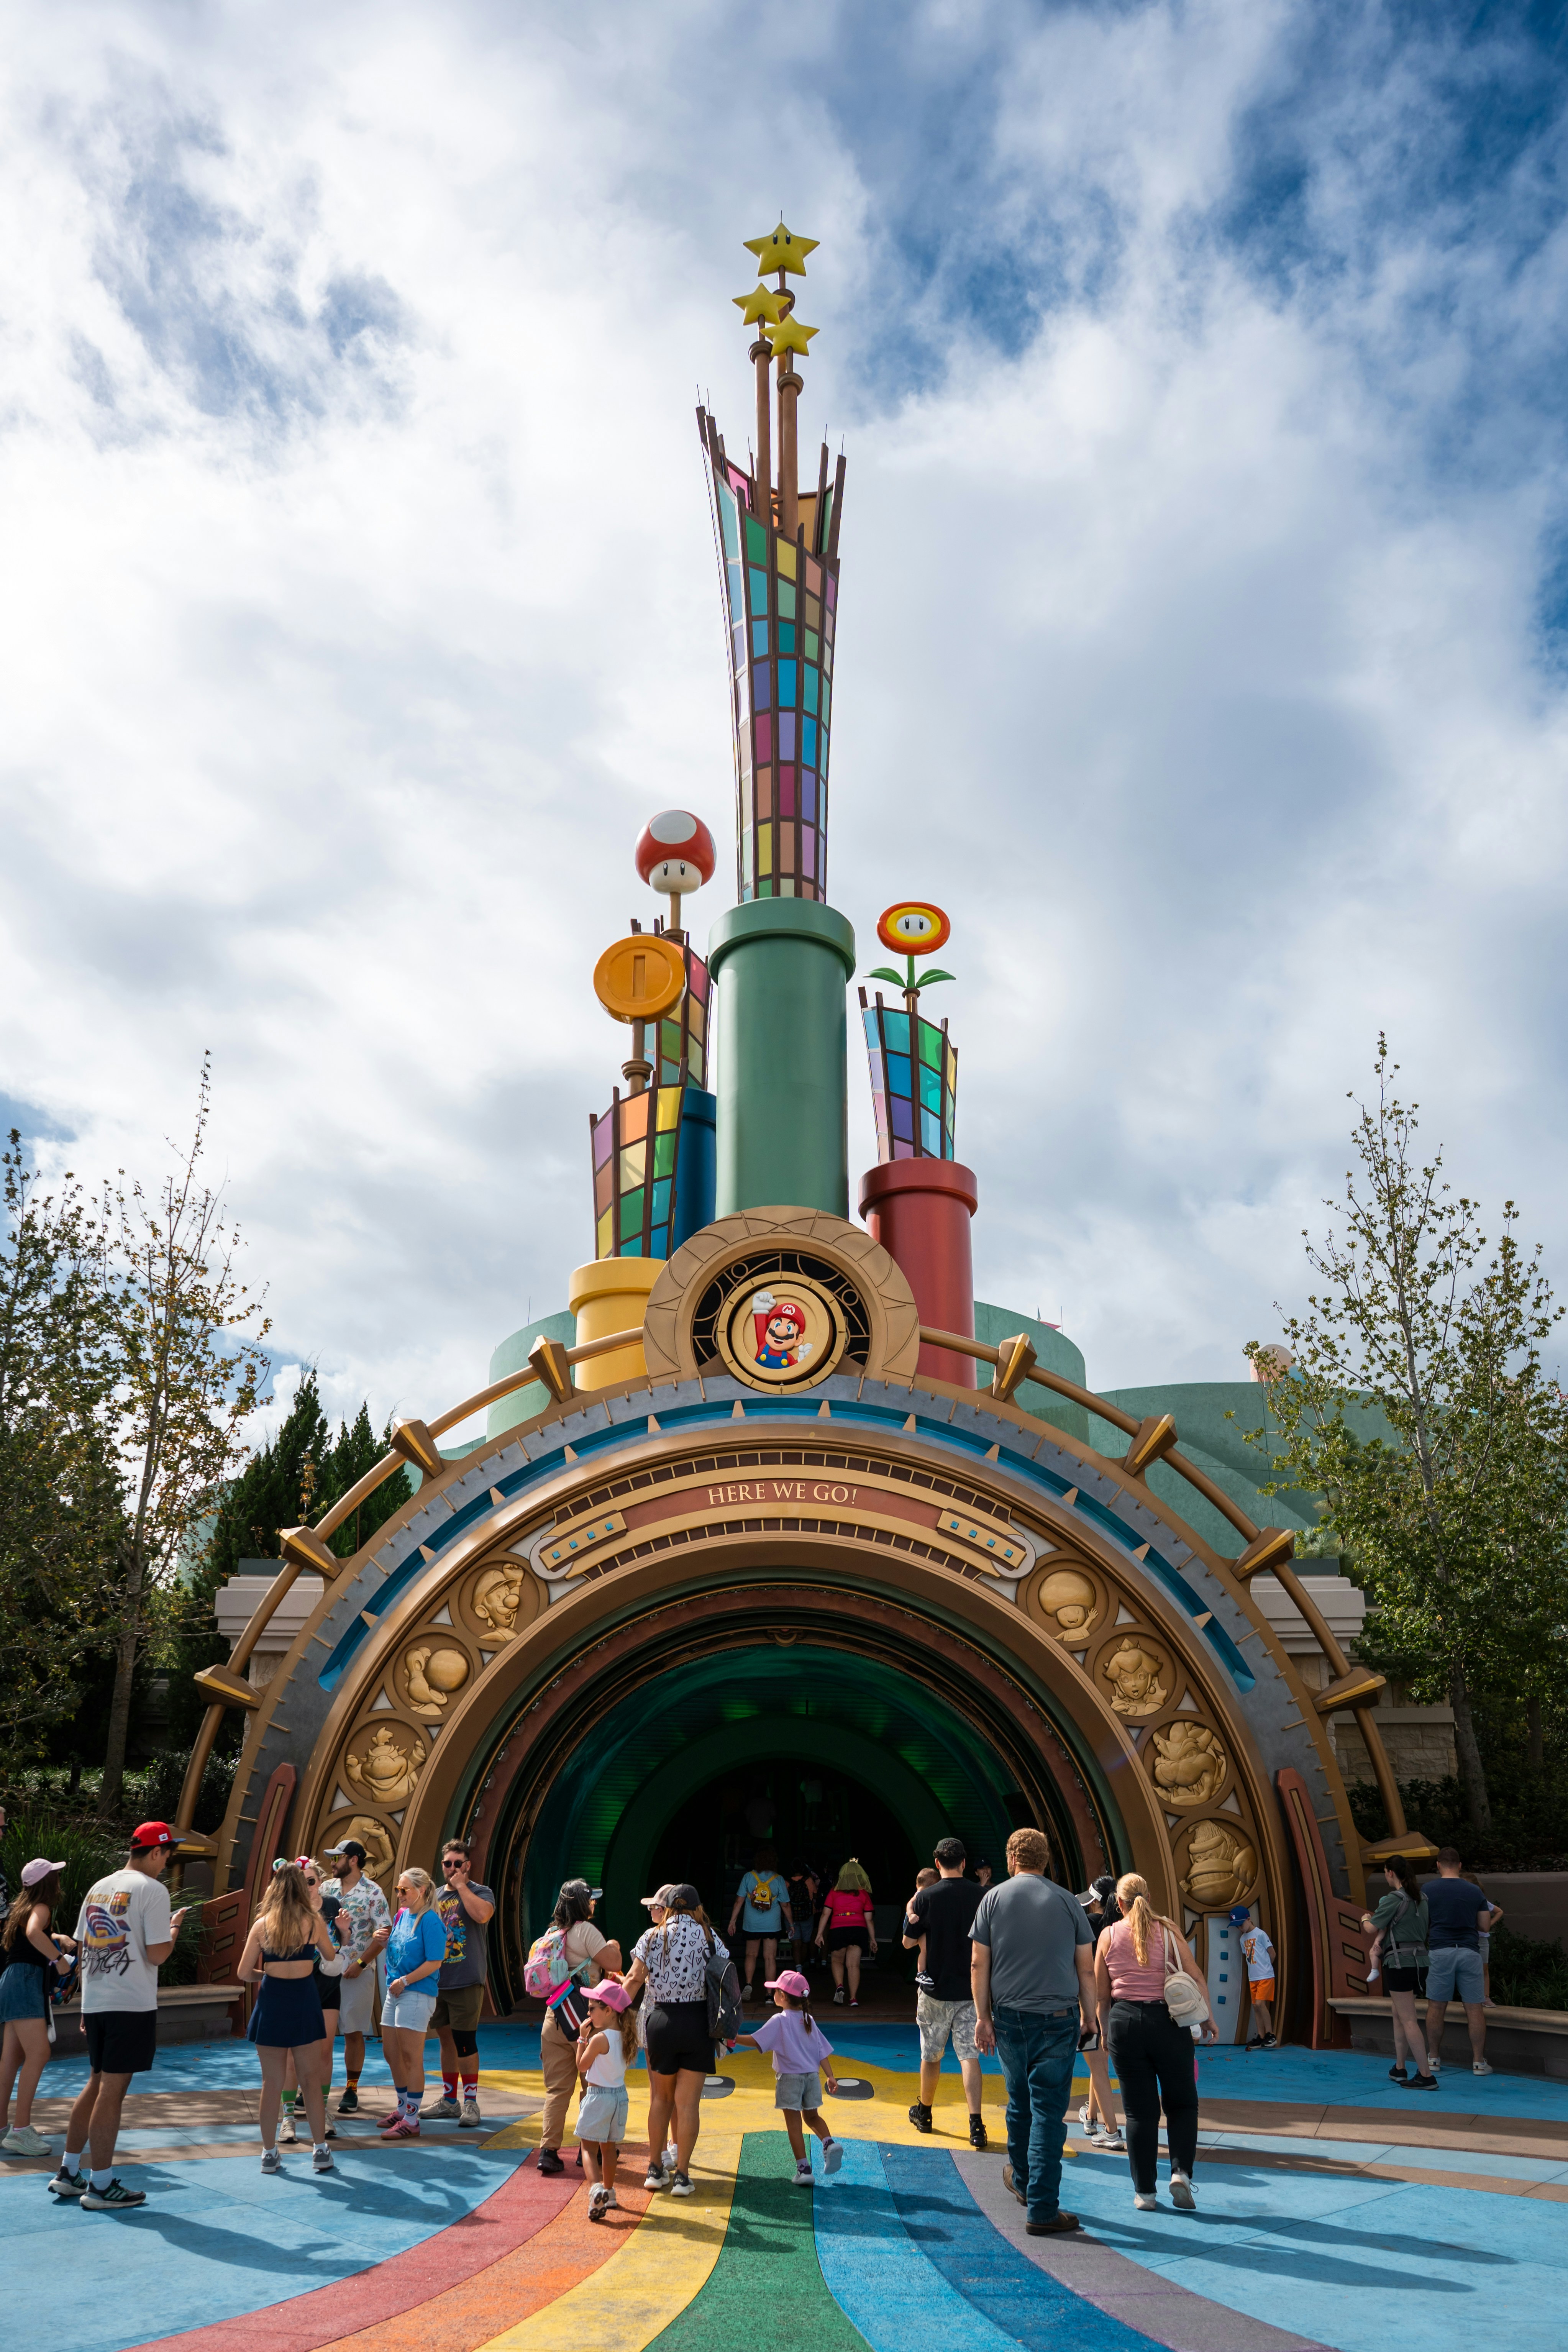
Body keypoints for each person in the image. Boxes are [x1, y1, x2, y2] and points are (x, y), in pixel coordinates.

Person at [51, 1819, 190, 2210]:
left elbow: (84, 1948)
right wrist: (174, 1929)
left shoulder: (99, 1887)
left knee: (95, 2084)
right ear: (157, 1852)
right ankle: (101, 2184)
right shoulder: (154, 1890)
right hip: (131, 2003)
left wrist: (85, 2004)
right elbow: (158, 1953)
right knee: (112, 2093)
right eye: (168, 1854)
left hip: (98, 2001)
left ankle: (68, 2171)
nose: (167, 1863)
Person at [971, 1825, 1093, 2238]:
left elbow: (978, 1965)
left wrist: (983, 2017)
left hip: (1007, 2017)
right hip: (1058, 2019)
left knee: (1019, 2102)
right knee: (1048, 2112)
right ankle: (1042, 2207)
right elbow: (1086, 1967)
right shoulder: (1067, 1902)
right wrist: (1090, 2015)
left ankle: (1022, 2182)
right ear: (1045, 1862)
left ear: (1011, 1860)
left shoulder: (992, 1900)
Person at [1096, 1873, 1217, 2213]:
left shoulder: (1108, 1935)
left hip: (1125, 2023)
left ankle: (1145, 2193)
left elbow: (1101, 1995)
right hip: (1169, 2022)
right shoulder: (1168, 1931)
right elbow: (1195, 1975)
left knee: (1139, 2113)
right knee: (1182, 2104)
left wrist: (1105, 2031)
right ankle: (1180, 2172)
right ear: (1148, 1897)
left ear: (1118, 1904)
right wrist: (1207, 2017)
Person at [622, 1881, 728, 2198]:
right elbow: (725, 1977)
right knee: (688, 2104)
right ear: (697, 1908)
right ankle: (682, 2175)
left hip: (661, 2021)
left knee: (660, 2100)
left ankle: (655, 2169)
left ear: (667, 1906)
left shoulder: (653, 1936)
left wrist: (613, 2014)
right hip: (697, 2023)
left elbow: (633, 1980)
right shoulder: (709, 1937)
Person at [236, 1860, 343, 2173]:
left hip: (272, 2001)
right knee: (311, 2079)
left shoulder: (262, 1924)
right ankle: (321, 2150)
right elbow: (331, 1955)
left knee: (272, 2082)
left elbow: (244, 1973)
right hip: (304, 2000)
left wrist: (268, 1973)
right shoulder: (313, 1920)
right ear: (299, 1889)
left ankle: (269, 2153)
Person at [903, 1838, 987, 2149]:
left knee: (931, 2054)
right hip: (971, 1989)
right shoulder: (982, 1897)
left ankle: (924, 2113)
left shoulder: (927, 1898)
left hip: (935, 1989)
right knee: (969, 2056)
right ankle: (976, 2124)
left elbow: (908, 1942)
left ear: (937, 1864)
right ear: (964, 1863)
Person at [537, 1879, 620, 2177]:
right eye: (592, 1899)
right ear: (582, 1904)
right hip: (586, 2019)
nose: (595, 1903)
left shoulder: (551, 1934)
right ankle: (591, 2148)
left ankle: (549, 2152)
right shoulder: (586, 1930)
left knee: (557, 2090)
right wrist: (613, 1945)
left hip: (555, 2016)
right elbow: (614, 1961)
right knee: (593, 2086)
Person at [730, 1967, 844, 2185]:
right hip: (812, 2077)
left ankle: (804, 2170)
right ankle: (829, 2143)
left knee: (794, 2126)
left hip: (790, 2079)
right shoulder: (808, 2019)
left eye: (776, 1991)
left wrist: (733, 2037)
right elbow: (822, 2052)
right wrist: (831, 2077)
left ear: (782, 1997)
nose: (774, 1994)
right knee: (812, 2117)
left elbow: (756, 2041)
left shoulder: (780, 2020)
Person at [0, 1858, 76, 2156]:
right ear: (48, 1882)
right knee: (40, 2052)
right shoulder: (42, 1909)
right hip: (26, 1980)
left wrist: (55, 1937)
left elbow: (29, 1934)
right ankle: (21, 2131)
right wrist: (59, 1962)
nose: (59, 1880)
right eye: (56, 1875)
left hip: (12, 1979)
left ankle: (4, 2128)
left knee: (11, 2057)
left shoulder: (22, 1907)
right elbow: (34, 1933)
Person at [426, 1840, 497, 2127]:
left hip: (467, 1979)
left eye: (458, 1863)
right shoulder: (435, 1896)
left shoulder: (481, 1892)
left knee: (465, 2041)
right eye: (448, 1864)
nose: (453, 1868)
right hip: (439, 1979)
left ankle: (471, 2102)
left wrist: (463, 1886)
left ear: (468, 1865)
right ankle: (449, 2100)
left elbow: (482, 1915)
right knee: (445, 2040)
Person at [321, 1836, 392, 2116]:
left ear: (353, 1860)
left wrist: (361, 1964)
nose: (332, 1863)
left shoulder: (373, 1893)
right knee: (319, 2031)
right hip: (326, 1969)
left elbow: (384, 1933)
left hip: (356, 1973)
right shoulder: (326, 1888)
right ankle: (311, 2086)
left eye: (337, 1857)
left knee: (353, 2031)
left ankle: (351, 2088)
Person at [379, 1865, 447, 2136]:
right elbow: (400, 1948)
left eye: (404, 1890)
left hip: (416, 1993)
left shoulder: (430, 1920)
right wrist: (383, 1941)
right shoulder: (402, 1916)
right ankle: (403, 2106)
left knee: (411, 2056)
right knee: (391, 2053)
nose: (399, 1895)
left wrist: (406, 1981)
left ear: (421, 1891)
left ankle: (412, 2119)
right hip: (395, 1991)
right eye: (397, 1890)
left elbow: (435, 1961)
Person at [279, 1856, 342, 2143]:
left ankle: (324, 2111)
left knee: (324, 2052)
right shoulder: (287, 1911)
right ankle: (289, 2118)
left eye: (312, 1881)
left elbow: (339, 1947)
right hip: (299, 1988)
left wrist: (345, 1931)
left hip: (328, 1986)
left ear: (321, 1881)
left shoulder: (331, 1906)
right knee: (293, 2056)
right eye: (302, 1882)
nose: (308, 1887)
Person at [1422, 1848, 1499, 2078]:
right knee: (1474, 2009)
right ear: (1460, 1865)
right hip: (1469, 1952)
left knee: (1436, 2007)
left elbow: (1423, 1922)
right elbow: (1484, 1927)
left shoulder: (1428, 1890)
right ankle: (1478, 2063)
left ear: (1438, 1865)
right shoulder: (1474, 1890)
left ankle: (1433, 2058)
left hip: (1439, 1951)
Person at [1361, 1857, 1434, 2089]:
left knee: (1409, 2019)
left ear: (1390, 1873)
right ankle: (1400, 2068)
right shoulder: (1422, 1899)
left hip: (1400, 1964)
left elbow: (1371, 1928)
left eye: (1385, 1871)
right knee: (1399, 2013)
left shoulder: (1393, 1899)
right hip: (1421, 1962)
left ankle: (1426, 2075)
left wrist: (1365, 1918)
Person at [574, 1978, 637, 2220]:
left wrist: (582, 2038)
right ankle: (609, 2193)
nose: (588, 2013)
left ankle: (595, 2188)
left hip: (599, 2096)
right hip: (620, 2097)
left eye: (592, 2009)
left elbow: (581, 2065)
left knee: (588, 2147)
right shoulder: (625, 2035)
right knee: (609, 2148)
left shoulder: (599, 2039)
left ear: (608, 2010)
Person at [1073, 1879, 1124, 2148]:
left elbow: (1081, 1969)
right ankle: (1091, 2117)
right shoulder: (1122, 1926)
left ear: (1096, 1901)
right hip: (1120, 2006)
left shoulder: (1088, 1925)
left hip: (1090, 2006)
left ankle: (1112, 2131)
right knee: (1099, 2065)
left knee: (1099, 2067)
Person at [728, 1845, 791, 2001]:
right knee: (770, 1958)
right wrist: (791, 1924)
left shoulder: (749, 1877)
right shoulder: (778, 1880)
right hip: (772, 1925)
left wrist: (733, 1921)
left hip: (752, 1924)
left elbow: (739, 1901)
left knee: (751, 1955)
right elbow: (785, 1905)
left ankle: (748, 1984)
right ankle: (769, 1994)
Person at [817, 1859, 876, 2007]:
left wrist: (819, 1934)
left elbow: (825, 1914)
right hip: (859, 1929)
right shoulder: (863, 1894)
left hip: (838, 1929)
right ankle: (853, 1999)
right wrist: (873, 1939)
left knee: (837, 1961)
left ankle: (839, 1986)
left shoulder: (834, 1892)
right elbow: (869, 1920)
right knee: (853, 1966)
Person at [1235, 1909, 1277, 2049]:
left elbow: (1272, 1954)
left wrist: (1266, 1968)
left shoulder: (1260, 1934)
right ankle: (1261, 2036)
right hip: (1253, 1977)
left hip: (1265, 1976)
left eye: (1241, 1924)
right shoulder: (1242, 1939)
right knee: (1256, 2006)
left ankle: (1271, 2035)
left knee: (1260, 2004)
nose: (1240, 1928)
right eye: (1237, 1926)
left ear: (1249, 1920)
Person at [787, 1868, 821, 1972]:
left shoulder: (787, 1882)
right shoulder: (809, 1881)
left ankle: (799, 1969)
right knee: (805, 1942)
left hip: (792, 1916)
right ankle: (802, 1964)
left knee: (796, 1943)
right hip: (807, 1915)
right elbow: (816, 1895)